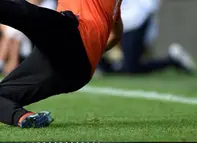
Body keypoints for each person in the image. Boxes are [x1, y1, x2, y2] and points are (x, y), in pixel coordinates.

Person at [0, 0, 123, 128]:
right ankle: (24, 118)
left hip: (73, 36)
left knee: (23, 11)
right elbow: (115, 35)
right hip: (78, 72)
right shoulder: (114, 6)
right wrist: (91, 51)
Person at [98, 0, 195, 75]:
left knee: (131, 68)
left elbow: (149, 7)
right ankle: (101, 66)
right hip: (121, 19)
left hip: (135, 21)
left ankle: (172, 60)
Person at [0, 0, 57, 76]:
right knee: (13, 38)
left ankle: (2, 63)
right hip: (19, 33)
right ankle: (6, 68)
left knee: (12, 37)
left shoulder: (49, 4)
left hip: (32, 34)